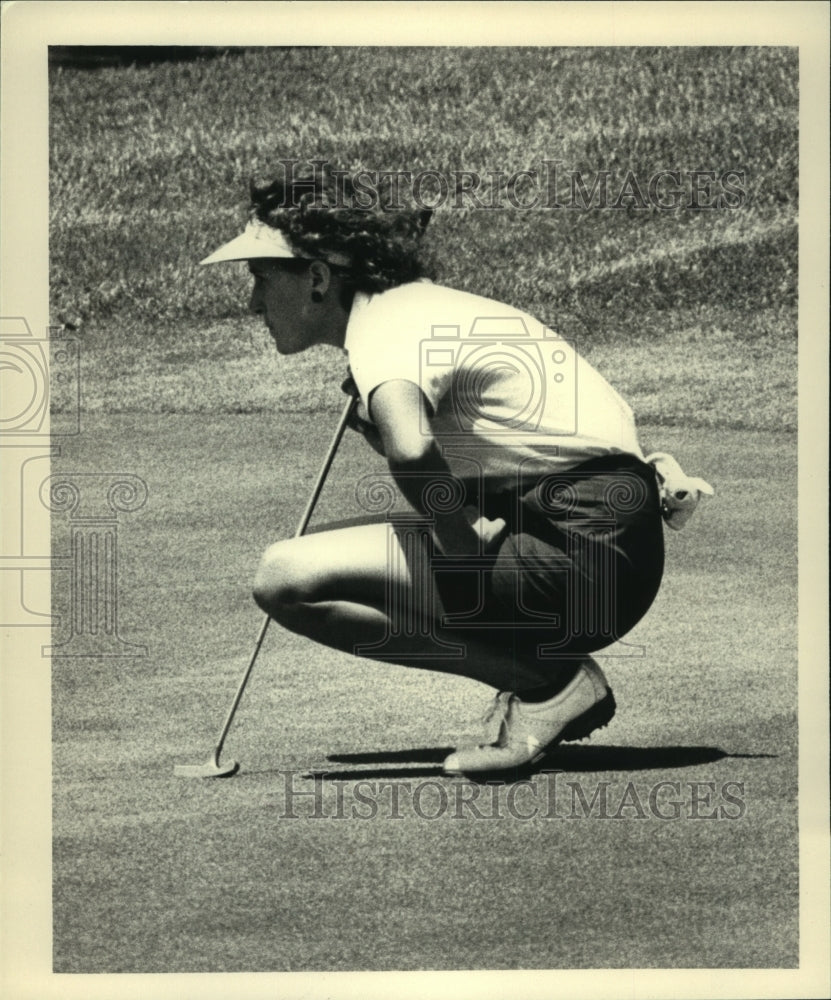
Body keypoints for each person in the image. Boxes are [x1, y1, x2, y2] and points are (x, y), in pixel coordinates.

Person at [200, 167, 678, 778]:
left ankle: (548, 684)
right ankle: (548, 677)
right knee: (322, 554)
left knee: (286, 577)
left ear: (318, 278)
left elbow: (411, 451)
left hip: (582, 561)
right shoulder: (412, 307)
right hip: (604, 546)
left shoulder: (386, 331)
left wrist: (461, 547)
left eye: (261, 278)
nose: (253, 302)